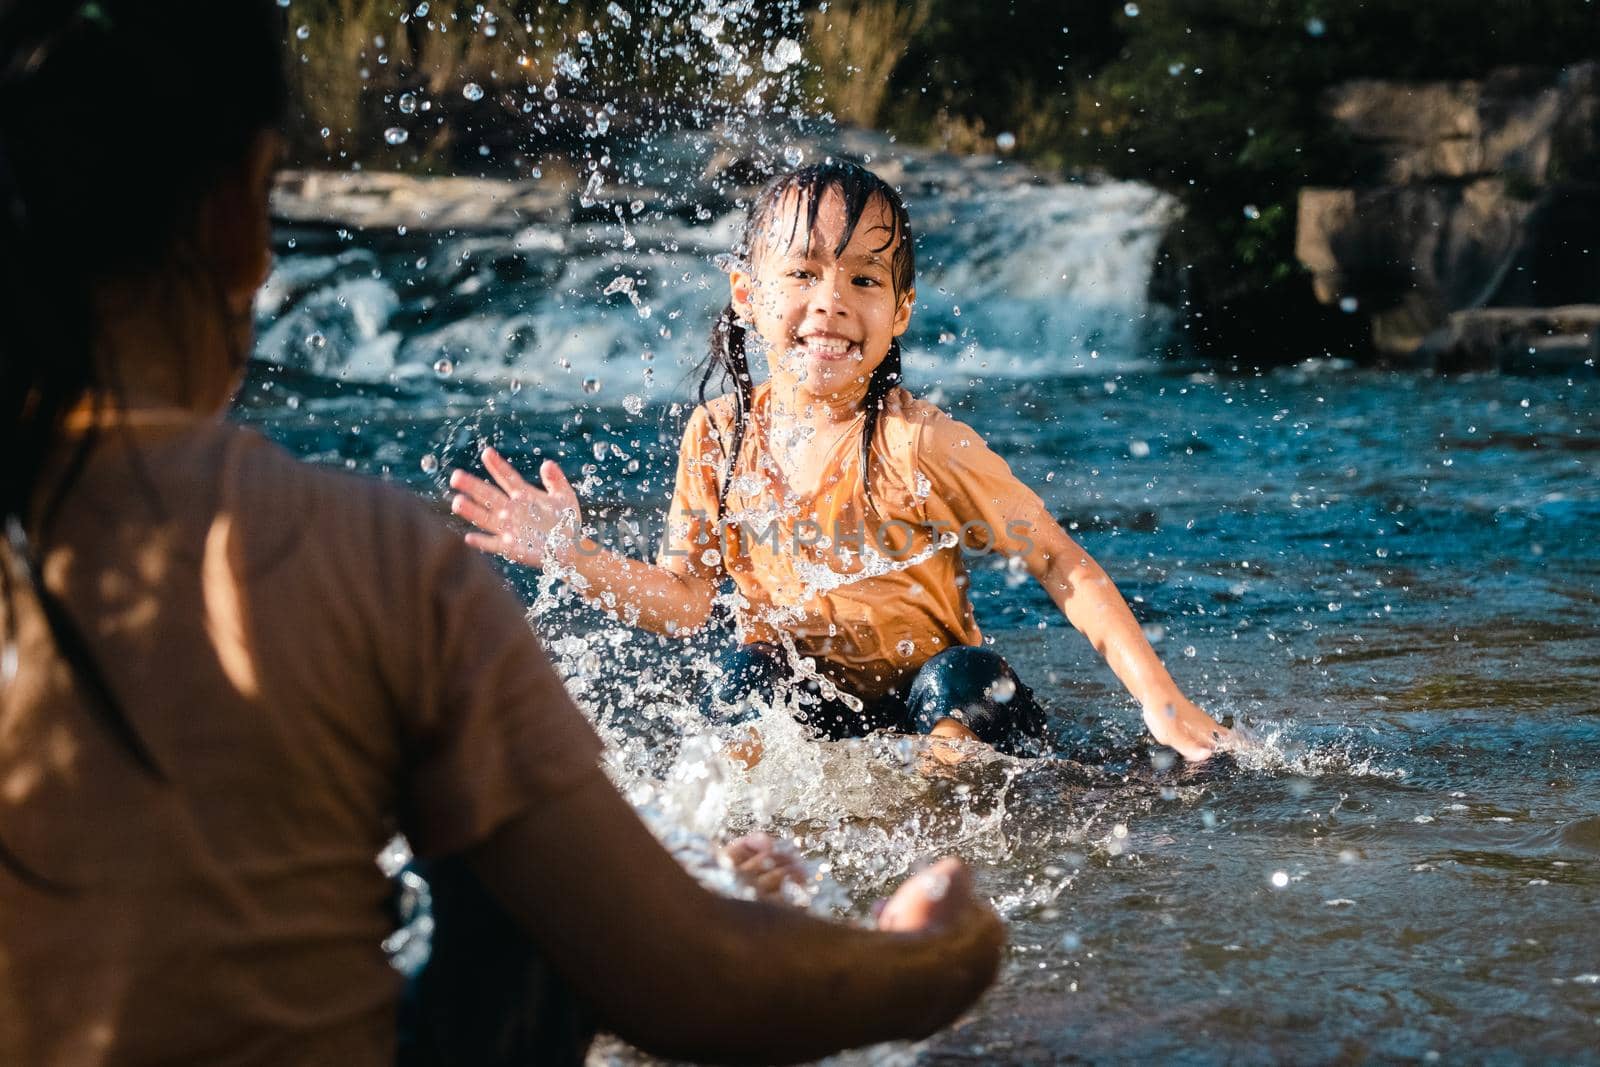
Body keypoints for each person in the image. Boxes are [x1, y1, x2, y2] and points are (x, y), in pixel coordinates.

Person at [0, 4, 1005, 1065]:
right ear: (235, 227)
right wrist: (936, 956)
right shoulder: (362, 559)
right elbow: (686, 981)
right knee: (510, 894)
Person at [451, 161, 1233, 762]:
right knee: (743, 680)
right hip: (817, 704)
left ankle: (940, 829)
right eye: (801, 273)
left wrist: (1162, 704)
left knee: (959, 683)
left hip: (949, 704)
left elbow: (1062, 562)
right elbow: (687, 602)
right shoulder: (718, 439)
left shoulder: (921, 444)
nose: (830, 301)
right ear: (748, 294)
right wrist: (575, 556)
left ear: (898, 314)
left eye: (863, 278)